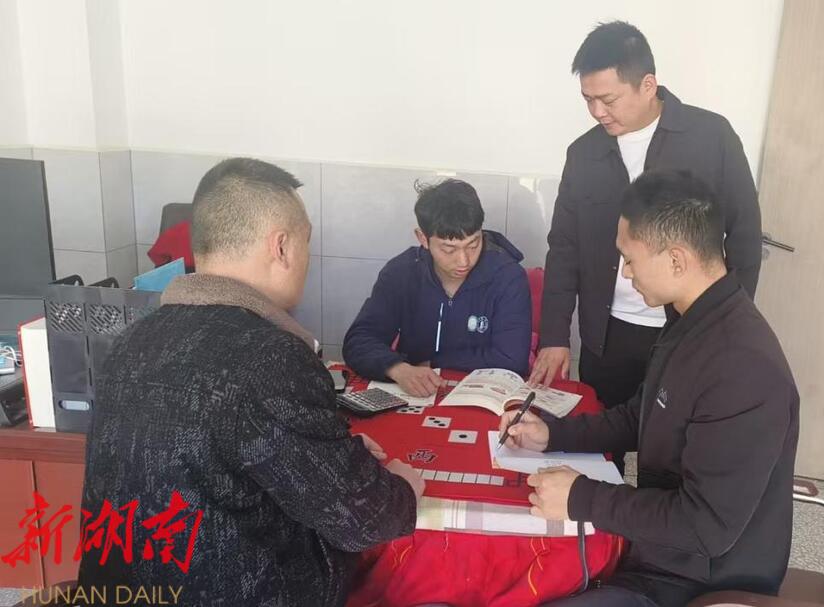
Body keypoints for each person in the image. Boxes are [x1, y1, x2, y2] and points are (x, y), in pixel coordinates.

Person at [77, 158, 424, 606]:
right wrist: (401, 489)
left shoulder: (130, 340)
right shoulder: (271, 356)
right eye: (306, 242)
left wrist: (337, 454)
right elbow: (362, 519)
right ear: (282, 247)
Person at [503, 171, 798, 607]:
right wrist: (553, 434)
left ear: (677, 260)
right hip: (658, 551)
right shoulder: (691, 319)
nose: (625, 273)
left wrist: (582, 497)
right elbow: (641, 414)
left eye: (630, 259)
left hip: (698, 582)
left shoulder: (743, 367)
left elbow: (704, 527)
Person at [530, 22, 764, 470]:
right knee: (601, 447)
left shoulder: (711, 137)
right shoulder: (583, 154)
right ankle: (604, 513)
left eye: (608, 99)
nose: (597, 112)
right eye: (587, 100)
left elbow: (745, 235)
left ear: (648, 85)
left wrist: (727, 321)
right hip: (608, 333)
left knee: (675, 456)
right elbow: (563, 247)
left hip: (687, 328)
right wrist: (555, 335)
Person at [343, 179, 532, 395]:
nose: (464, 261)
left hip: (482, 397)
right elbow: (359, 340)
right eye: (449, 249)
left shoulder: (507, 277)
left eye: (473, 244)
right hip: (416, 394)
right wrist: (398, 369)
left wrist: (434, 362)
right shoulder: (402, 273)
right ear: (423, 238)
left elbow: (512, 359)